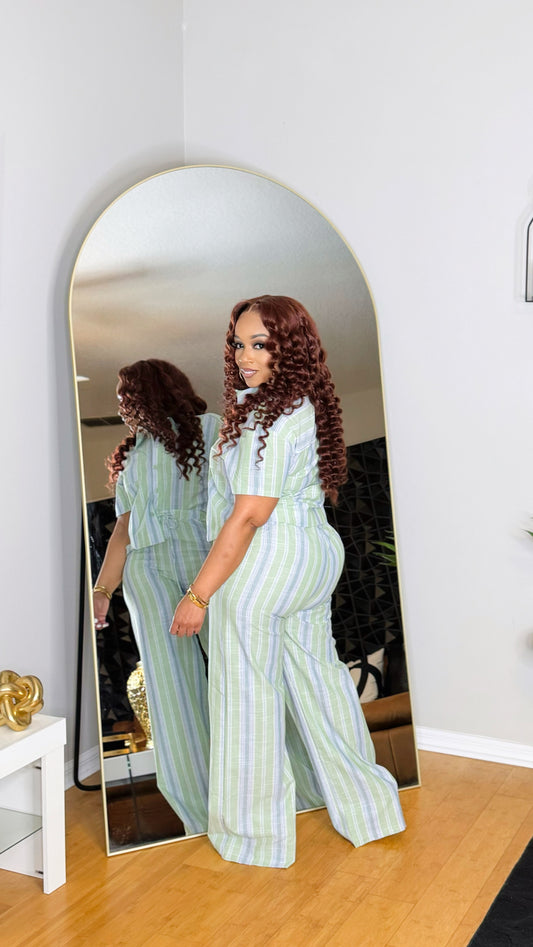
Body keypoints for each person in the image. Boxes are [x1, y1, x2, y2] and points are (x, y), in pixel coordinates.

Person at [170, 296, 406, 868]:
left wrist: (198, 594)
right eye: (239, 343)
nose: (244, 356)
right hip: (312, 554)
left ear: (289, 347)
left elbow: (249, 514)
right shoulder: (302, 405)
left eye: (260, 344)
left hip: (266, 559)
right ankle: (371, 811)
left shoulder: (265, 417)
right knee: (322, 683)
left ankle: (255, 838)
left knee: (245, 693)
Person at [92, 358, 220, 835]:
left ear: (155, 390)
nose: (121, 405)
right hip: (146, 570)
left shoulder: (210, 429)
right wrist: (103, 590)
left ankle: (262, 787)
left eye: (127, 394)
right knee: (170, 691)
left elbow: (235, 505)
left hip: (201, 558)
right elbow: (122, 531)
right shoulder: (131, 456)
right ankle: (199, 813)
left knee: (235, 666)